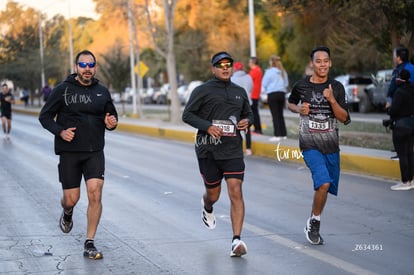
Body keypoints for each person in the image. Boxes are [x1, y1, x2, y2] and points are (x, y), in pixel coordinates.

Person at [39, 50, 118, 260]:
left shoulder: (102, 91)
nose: (87, 69)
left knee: (95, 192)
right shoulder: (62, 90)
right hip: (70, 152)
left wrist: (112, 123)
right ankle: (67, 212)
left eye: (90, 65)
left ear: (95, 68)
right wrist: (60, 131)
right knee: (71, 199)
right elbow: (45, 117)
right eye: (83, 65)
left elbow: (111, 115)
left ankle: (89, 242)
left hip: (94, 151)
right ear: (76, 68)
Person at [182, 51, 253, 257]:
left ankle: (236, 240)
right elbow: (187, 115)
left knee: (236, 190)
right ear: (213, 68)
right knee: (213, 194)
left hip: (232, 150)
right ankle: (207, 206)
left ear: (232, 68)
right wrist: (207, 127)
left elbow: (248, 113)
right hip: (208, 150)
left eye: (228, 64)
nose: (224, 67)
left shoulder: (239, 92)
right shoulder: (202, 90)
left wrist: (247, 121)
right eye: (220, 65)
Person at [288, 46, 350, 245]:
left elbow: (344, 118)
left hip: (331, 146)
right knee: (322, 182)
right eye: (318, 61)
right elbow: (290, 103)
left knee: (326, 187)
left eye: (326, 61)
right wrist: (299, 109)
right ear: (312, 64)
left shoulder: (337, 87)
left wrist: (332, 100)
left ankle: (313, 219)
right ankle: (315, 222)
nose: (322, 64)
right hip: (309, 144)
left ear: (330, 63)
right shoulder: (301, 86)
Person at [385, 46, 414, 159]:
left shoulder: (403, 70)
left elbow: (395, 85)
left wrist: (389, 99)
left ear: (398, 57)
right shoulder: (408, 67)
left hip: (401, 102)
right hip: (404, 101)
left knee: (399, 125)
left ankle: (401, 150)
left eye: (395, 55)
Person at [388, 69, 414, 191]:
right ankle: (412, 180)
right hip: (411, 124)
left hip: (401, 126)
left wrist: (389, 109)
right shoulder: (412, 89)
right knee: (410, 153)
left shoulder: (399, 92)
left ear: (399, 78)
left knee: (402, 154)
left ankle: (405, 181)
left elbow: (394, 111)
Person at [262, 55, 289, 142]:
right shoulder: (283, 72)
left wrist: (265, 91)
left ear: (271, 62)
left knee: (275, 115)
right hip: (281, 94)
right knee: (280, 114)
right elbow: (286, 84)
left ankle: (277, 135)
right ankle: (283, 134)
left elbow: (264, 84)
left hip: (272, 94)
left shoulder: (269, 72)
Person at [231, 61, 253, 155]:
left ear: (235, 69)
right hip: (248, 103)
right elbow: (251, 88)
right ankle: (248, 149)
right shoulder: (248, 77)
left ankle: (237, 148)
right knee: (246, 126)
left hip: (237, 105)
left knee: (236, 126)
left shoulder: (232, 79)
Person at [248, 56, 263, 134]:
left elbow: (249, 81)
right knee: (254, 112)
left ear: (253, 63)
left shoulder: (254, 71)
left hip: (253, 94)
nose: (249, 64)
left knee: (253, 113)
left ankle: (257, 129)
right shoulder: (258, 70)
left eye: (250, 62)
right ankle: (257, 129)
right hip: (255, 94)